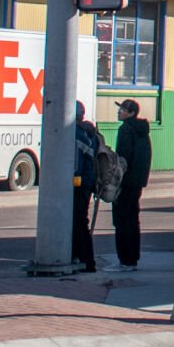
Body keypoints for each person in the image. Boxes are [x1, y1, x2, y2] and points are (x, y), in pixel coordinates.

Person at [111, 99, 152, 270]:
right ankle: (132, 259)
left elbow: (123, 157)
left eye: (123, 109)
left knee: (121, 221)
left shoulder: (126, 129)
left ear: (131, 112)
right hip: (137, 182)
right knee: (133, 219)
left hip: (126, 182)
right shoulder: (143, 131)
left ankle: (125, 260)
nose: (119, 112)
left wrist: (116, 180)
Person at [71, 102, 100, 274]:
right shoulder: (90, 133)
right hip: (86, 183)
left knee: (78, 222)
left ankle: (86, 261)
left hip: (78, 184)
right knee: (81, 221)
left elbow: (76, 163)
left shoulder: (75, 134)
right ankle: (83, 259)